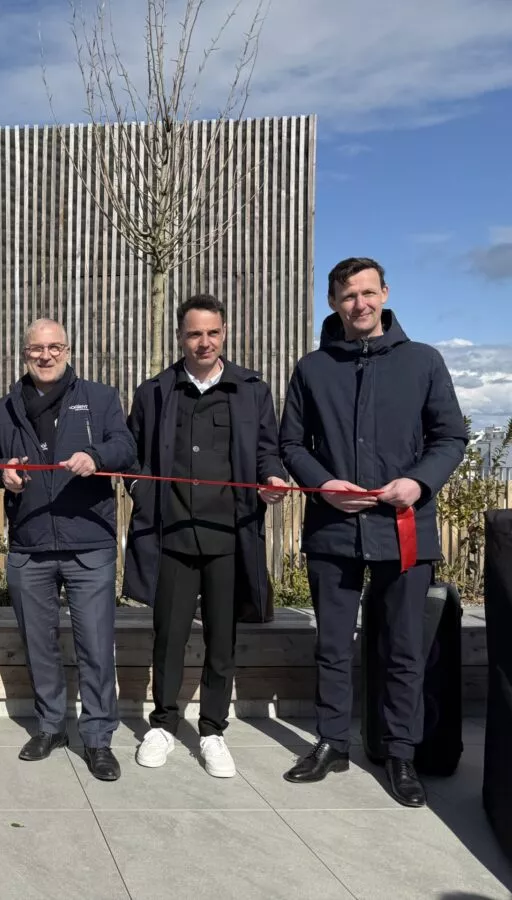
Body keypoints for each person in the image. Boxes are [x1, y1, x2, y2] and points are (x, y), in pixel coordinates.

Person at [279, 257, 467, 807]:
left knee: (405, 649)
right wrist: (321, 484)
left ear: (384, 293)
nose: (358, 304)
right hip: (333, 532)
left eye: (367, 293)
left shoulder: (423, 362)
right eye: (346, 296)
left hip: (405, 529)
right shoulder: (312, 368)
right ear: (334, 303)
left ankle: (401, 753)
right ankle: (333, 742)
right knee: (333, 646)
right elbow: (292, 445)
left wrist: (419, 482)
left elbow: (450, 436)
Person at [123, 294, 289, 779]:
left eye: (212, 333)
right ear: (180, 336)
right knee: (168, 637)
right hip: (171, 536)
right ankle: (163, 724)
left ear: (224, 333)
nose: (204, 342)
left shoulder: (252, 391)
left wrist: (271, 479)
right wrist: (137, 486)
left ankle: (213, 729)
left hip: (229, 539)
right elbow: (131, 453)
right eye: (194, 333)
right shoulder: (154, 391)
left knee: (222, 640)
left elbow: (267, 452)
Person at [0, 319, 136, 781]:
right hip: (29, 542)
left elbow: (125, 446)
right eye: (36, 349)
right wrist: (0, 473)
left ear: (68, 350)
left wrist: (99, 457)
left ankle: (98, 737)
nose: (45, 356)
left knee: (94, 646)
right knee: (39, 644)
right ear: (24, 353)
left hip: (88, 542)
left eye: (54, 348)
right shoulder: (5, 408)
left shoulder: (102, 398)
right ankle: (50, 725)